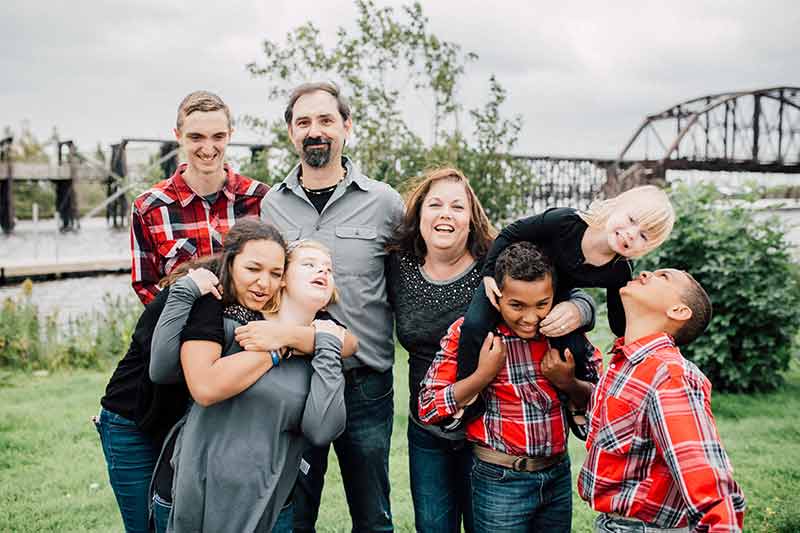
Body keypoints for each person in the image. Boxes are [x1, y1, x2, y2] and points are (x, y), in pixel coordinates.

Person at [386, 167, 596, 533]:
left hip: (493, 427)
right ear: (418, 214)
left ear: (472, 218)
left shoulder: (498, 263)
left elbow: (557, 284)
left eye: (457, 206)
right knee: (434, 524)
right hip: (433, 421)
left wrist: (580, 309)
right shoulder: (398, 265)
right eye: (434, 205)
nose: (445, 214)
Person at [258, 81, 404, 532]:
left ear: (346, 126)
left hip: (365, 382)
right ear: (290, 133)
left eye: (325, 120)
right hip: (295, 377)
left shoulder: (384, 202)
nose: (315, 131)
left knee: (372, 513)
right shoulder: (271, 206)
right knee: (294, 510)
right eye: (304, 122)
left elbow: (405, 285)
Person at [150, 224, 350, 533]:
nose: (322, 271)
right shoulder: (229, 321)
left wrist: (319, 345)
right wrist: (278, 348)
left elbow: (322, 429)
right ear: (285, 282)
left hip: (269, 502)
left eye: (328, 268)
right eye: (308, 264)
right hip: (195, 491)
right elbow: (193, 382)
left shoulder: (324, 341)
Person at [454, 185, 675, 428]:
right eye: (631, 220)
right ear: (616, 206)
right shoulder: (565, 222)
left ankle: (575, 400)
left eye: (644, 235)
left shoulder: (619, 270)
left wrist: (640, 325)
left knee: (575, 345)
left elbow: (618, 323)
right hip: (509, 281)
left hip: (554, 295)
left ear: (648, 247)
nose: (632, 234)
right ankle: (466, 392)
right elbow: (510, 232)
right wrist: (488, 274)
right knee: (474, 325)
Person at [418, 242, 602, 532]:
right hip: (499, 480)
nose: (530, 318)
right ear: (496, 297)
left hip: (556, 475)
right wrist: (482, 375)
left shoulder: (563, 333)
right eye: (516, 305)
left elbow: (605, 400)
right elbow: (428, 406)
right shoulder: (471, 335)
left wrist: (568, 382)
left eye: (542, 304)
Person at [578, 268, 746, 533]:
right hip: (616, 524)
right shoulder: (624, 365)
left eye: (664, 277)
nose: (645, 272)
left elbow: (702, 472)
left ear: (678, 311)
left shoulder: (668, 375)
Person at [95, 258, 224, 533]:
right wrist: (187, 289)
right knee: (146, 525)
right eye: (253, 268)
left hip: (171, 422)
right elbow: (162, 366)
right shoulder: (193, 291)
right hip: (128, 422)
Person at [130, 90, 268, 305]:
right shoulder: (148, 208)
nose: (208, 148)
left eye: (218, 136)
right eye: (196, 137)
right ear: (178, 135)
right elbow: (146, 286)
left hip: (249, 331)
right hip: (183, 330)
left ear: (230, 134)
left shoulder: (260, 198)